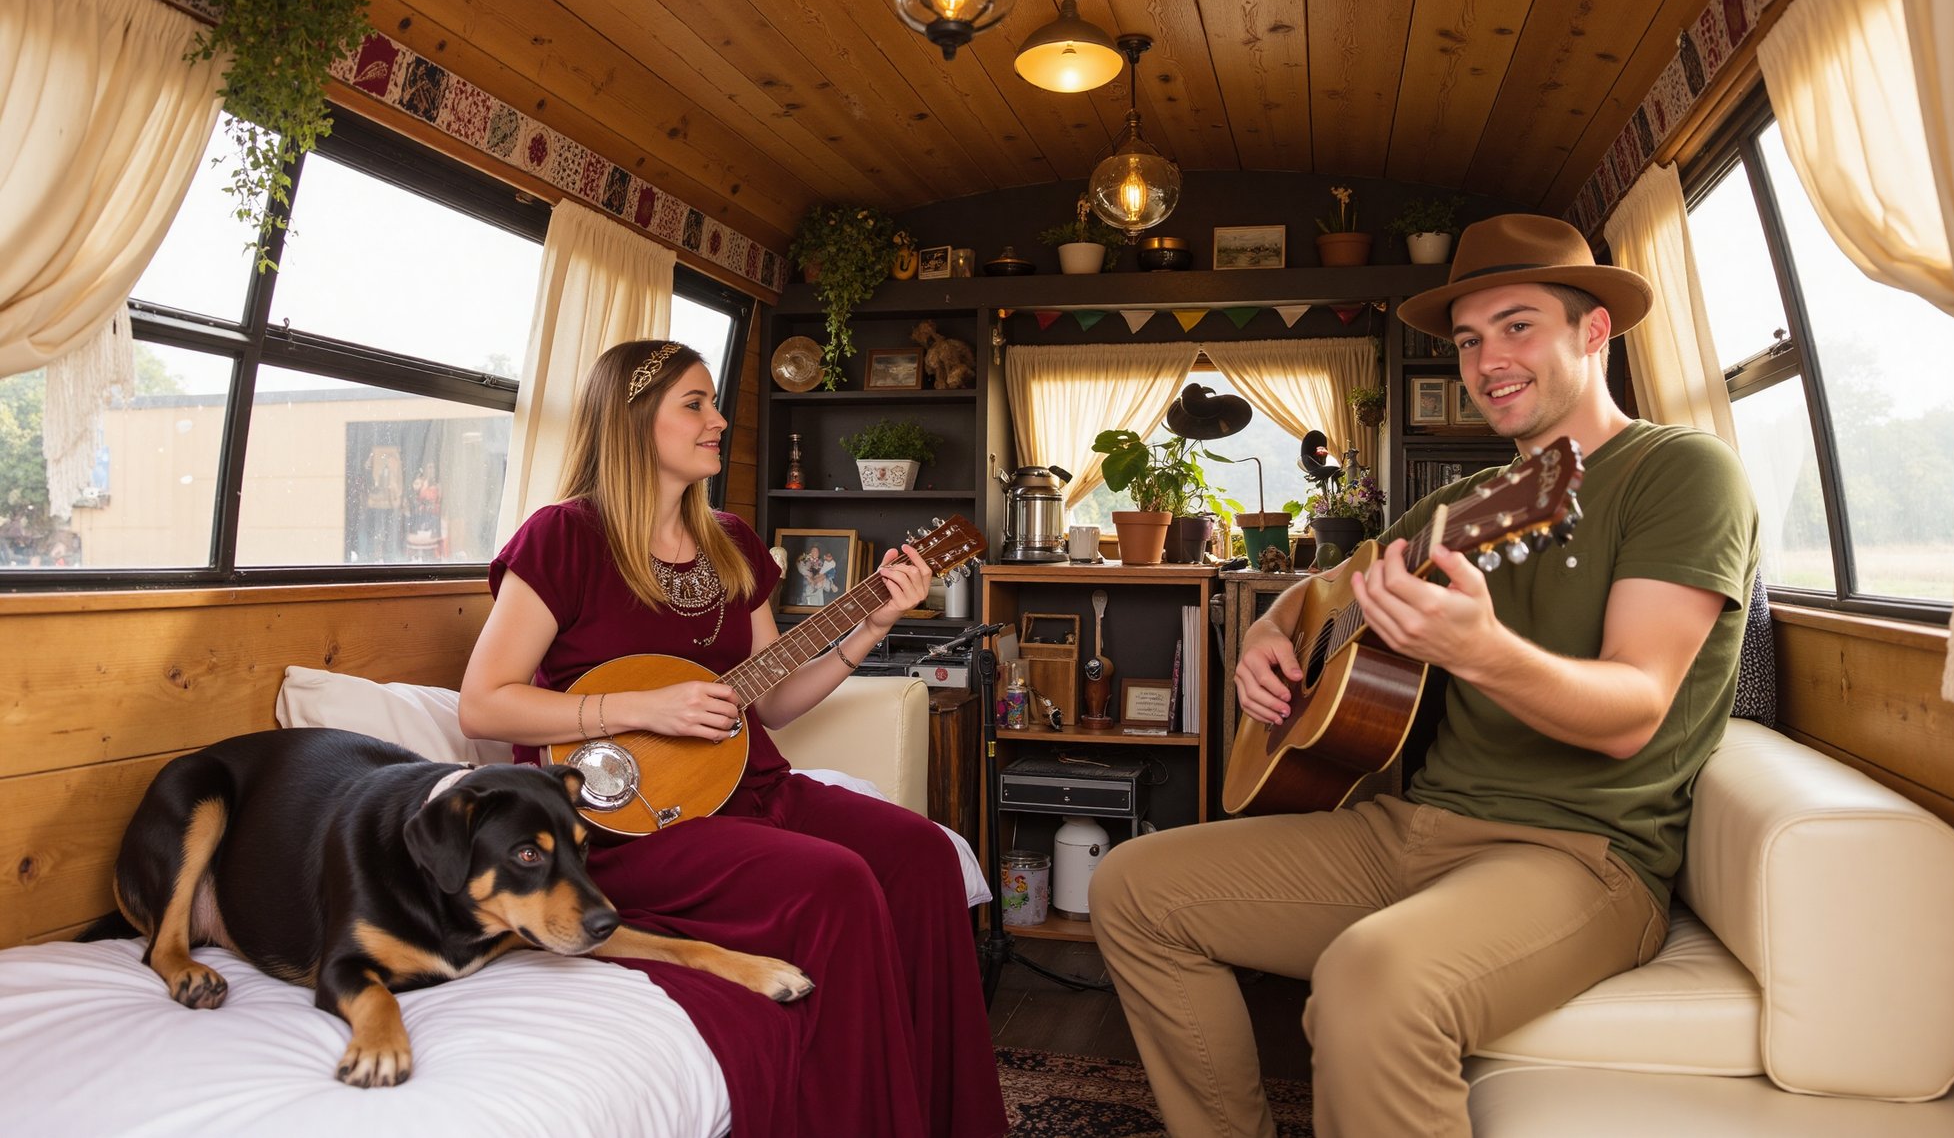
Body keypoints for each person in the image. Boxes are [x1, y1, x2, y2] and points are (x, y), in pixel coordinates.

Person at [1091, 214, 1760, 1137]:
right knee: (1131, 887)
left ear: (1594, 330)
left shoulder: (1681, 473)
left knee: (1369, 982)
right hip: (1406, 829)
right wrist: (1267, 638)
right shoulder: (1461, 504)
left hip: (1579, 855)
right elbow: (1321, 590)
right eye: (1471, 339)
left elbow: (1633, 711)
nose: (1489, 360)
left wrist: (1483, 649)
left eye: (1518, 325)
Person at [459, 338, 1006, 1138]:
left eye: (715, 402)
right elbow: (483, 704)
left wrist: (868, 625)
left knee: (923, 855)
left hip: (756, 789)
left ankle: (947, 1121)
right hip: (628, 823)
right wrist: (639, 710)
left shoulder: (732, 542)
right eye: (696, 403)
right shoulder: (563, 538)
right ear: (634, 420)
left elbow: (773, 701)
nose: (719, 420)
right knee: (837, 882)